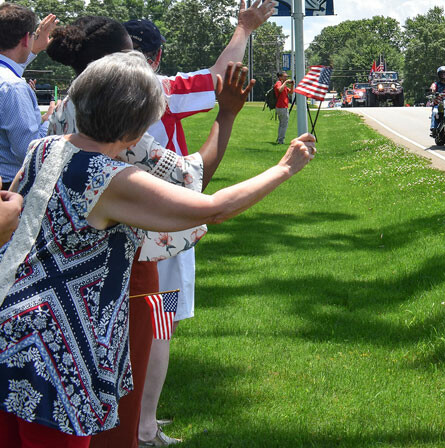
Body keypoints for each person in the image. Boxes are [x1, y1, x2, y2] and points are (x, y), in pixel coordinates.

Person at [0, 51, 314, 447]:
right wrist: (284, 167)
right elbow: (214, 208)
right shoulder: (109, 177)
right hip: (62, 350)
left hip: (12, 330)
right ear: (136, 128)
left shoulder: (43, 148)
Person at [43, 15, 254, 448]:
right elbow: (196, 183)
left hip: (67, 268)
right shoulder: (135, 113)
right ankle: (143, 426)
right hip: (139, 257)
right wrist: (229, 114)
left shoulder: (60, 111)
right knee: (154, 329)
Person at [126, 0, 274, 447]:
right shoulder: (157, 90)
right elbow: (218, 80)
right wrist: (244, 29)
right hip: (159, 221)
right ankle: (145, 426)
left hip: (101, 218)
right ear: (157, 57)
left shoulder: (80, 94)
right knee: (158, 320)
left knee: (120, 319)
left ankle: (126, 417)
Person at [0, 4, 58, 190]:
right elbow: (29, 150)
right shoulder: (14, 88)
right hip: (9, 188)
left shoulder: (8, 82)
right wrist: (51, 119)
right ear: (26, 38)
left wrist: (34, 49)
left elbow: (10, 68)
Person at [273, 71, 294, 145]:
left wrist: (292, 85)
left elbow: (291, 92)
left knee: (282, 124)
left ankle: (279, 139)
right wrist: (285, 83)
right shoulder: (278, 83)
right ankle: (280, 140)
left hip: (283, 107)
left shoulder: (283, 84)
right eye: (285, 76)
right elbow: (279, 90)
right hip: (281, 106)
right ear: (280, 77)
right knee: (284, 124)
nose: (286, 78)